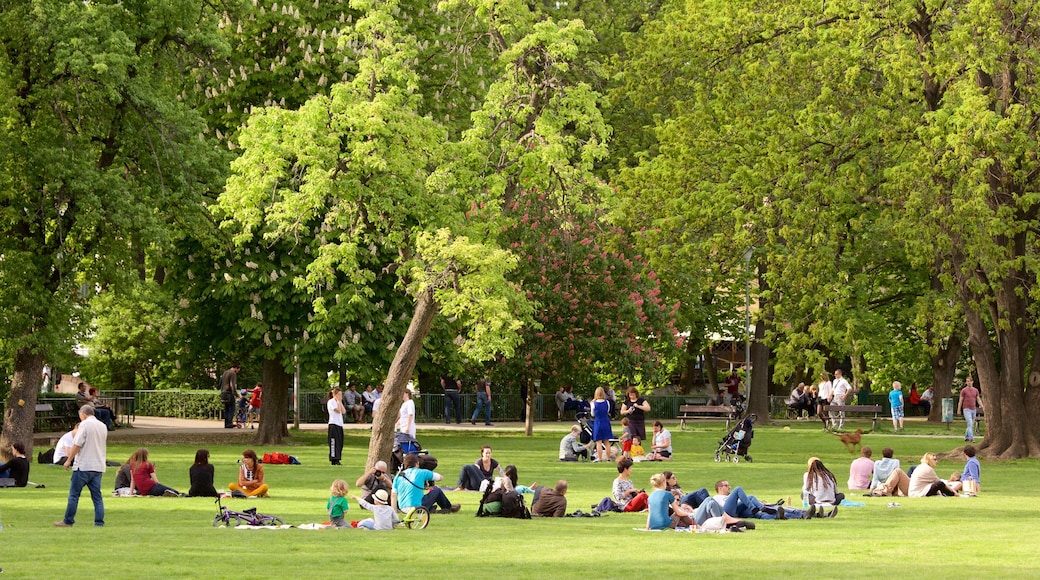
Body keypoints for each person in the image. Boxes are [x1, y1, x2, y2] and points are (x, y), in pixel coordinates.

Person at [55, 405, 107, 527]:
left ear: (83, 414)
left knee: (74, 495)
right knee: (97, 497)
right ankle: (99, 522)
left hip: (83, 465)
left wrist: (69, 460)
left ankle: (68, 520)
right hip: (98, 465)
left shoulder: (84, 425)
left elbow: (77, 444)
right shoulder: (102, 426)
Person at [392, 454, 459, 514]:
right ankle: (448, 507)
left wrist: (394, 513)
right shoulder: (422, 472)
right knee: (436, 490)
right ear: (417, 463)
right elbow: (440, 477)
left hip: (403, 509)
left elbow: (393, 496)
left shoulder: (398, 476)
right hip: (417, 507)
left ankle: (431, 509)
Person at [591, 387, 614, 462]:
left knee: (599, 442)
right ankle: (608, 458)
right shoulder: (607, 402)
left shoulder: (593, 403)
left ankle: (600, 458)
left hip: (598, 422)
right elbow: (607, 411)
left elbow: (592, 414)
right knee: (607, 442)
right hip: (606, 422)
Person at [958, 376, 982, 443]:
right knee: (970, 423)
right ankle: (972, 438)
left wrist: (982, 405)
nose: (969, 382)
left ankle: (966, 437)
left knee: (970, 424)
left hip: (973, 409)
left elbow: (978, 399)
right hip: (966, 409)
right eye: (967, 381)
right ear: (966, 382)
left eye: (970, 381)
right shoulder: (964, 390)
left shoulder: (975, 390)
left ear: (972, 382)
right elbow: (961, 400)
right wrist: (959, 409)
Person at [326, 388, 345, 465]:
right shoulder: (331, 402)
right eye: (339, 395)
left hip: (339, 425)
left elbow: (343, 411)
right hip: (333, 424)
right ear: (335, 395)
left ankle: (338, 458)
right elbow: (338, 410)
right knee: (334, 442)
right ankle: (334, 459)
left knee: (340, 442)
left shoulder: (339, 402)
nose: (341, 396)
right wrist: (338, 401)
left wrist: (340, 402)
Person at [219, 363, 241, 428]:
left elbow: (220, 383)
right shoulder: (232, 373)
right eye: (238, 370)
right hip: (229, 393)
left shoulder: (225, 372)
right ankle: (229, 423)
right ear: (236, 368)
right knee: (232, 408)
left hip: (223, 392)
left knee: (226, 409)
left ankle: (226, 423)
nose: (237, 372)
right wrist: (236, 394)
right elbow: (232, 385)